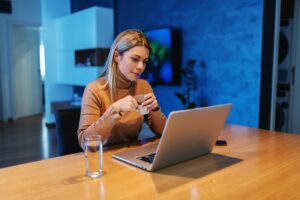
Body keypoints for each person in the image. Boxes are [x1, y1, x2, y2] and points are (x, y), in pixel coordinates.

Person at [77, 29, 167, 148]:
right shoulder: (95, 90)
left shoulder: (143, 86)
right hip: (102, 158)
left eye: (144, 61)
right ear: (117, 56)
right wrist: (113, 111)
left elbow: (163, 132)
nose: (141, 67)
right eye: (135, 59)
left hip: (131, 156)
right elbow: (85, 143)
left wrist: (154, 109)